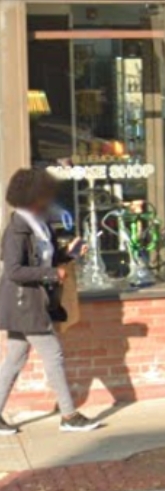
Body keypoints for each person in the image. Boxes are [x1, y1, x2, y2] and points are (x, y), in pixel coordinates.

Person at [0, 168, 99, 433]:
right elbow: (14, 270)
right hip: (24, 302)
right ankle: (69, 416)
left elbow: (50, 258)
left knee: (14, 359)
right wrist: (52, 274)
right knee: (53, 354)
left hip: (32, 301)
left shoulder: (40, 225)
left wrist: (70, 253)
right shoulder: (16, 231)